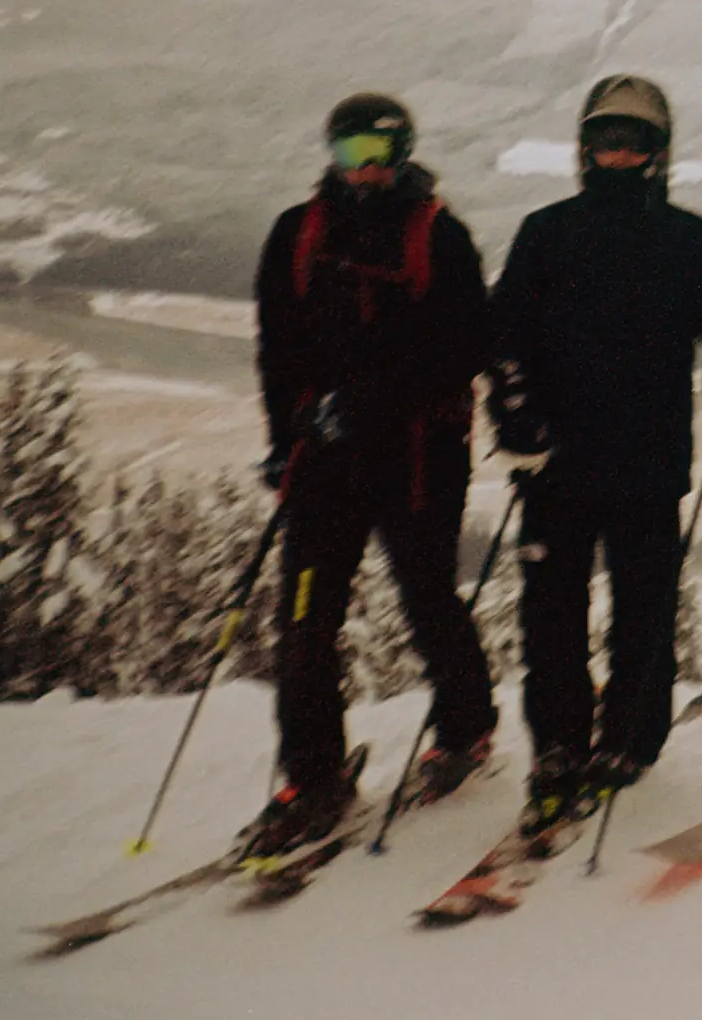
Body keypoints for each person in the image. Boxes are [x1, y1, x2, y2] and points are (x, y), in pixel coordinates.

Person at [488, 75, 702, 834]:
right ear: (583, 149)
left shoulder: (692, 241)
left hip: (644, 462)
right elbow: (502, 331)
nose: (617, 154)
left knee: (643, 613)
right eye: (606, 140)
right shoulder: (546, 233)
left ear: (658, 151)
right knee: (552, 615)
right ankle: (558, 748)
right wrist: (511, 409)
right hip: (558, 459)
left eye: (632, 142)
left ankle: (630, 743)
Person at [247, 93, 498, 856]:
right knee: (303, 620)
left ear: (405, 152)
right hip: (322, 460)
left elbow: (463, 351)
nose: (366, 169)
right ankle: (312, 772)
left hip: (416, 457)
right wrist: (282, 437)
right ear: (331, 154)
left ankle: (465, 727)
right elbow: (276, 346)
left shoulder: (439, 237)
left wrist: (361, 403)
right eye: (352, 152)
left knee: (425, 597)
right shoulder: (298, 234)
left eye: (380, 154)